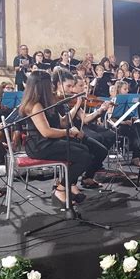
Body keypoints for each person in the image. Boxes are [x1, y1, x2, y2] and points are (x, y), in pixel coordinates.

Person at [19, 70, 92, 206]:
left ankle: (65, 186)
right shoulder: (35, 105)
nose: (52, 87)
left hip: (46, 143)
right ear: (43, 86)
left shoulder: (44, 102)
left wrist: (76, 107)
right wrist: (69, 132)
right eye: (49, 85)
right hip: (39, 146)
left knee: (83, 149)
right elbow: (46, 132)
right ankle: (61, 189)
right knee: (83, 155)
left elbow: (63, 122)